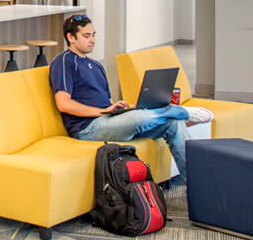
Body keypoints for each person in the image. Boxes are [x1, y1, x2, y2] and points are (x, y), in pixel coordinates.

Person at [49, 15, 213, 181]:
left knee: (174, 124)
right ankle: (179, 111)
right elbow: (63, 104)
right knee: (141, 117)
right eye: (86, 36)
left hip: (109, 120)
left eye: (93, 35)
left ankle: (196, 186)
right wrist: (102, 111)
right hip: (88, 128)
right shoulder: (64, 62)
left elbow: (107, 101)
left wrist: (120, 108)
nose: (92, 40)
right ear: (71, 37)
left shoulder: (97, 65)